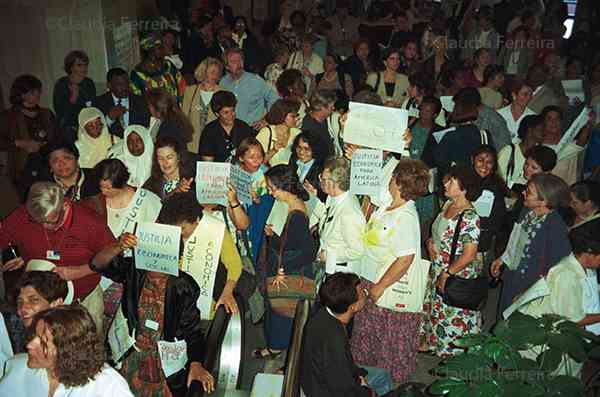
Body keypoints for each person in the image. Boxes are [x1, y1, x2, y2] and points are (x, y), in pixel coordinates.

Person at [89, 209, 216, 396]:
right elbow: (97, 264)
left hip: (164, 359)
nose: (154, 264)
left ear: (175, 259)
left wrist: (196, 363)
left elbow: (192, 331)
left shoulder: (183, 287)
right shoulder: (135, 271)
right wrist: (119, 246)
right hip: (129, 353)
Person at [351, 159, 430, 380]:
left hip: (385, 288)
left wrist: (380, 287)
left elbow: (405, 259)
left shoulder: (405, 216)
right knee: (368, 340)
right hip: (370, 278)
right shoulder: (388, 205)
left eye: (394, 174)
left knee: (385, 345)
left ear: (399, 182)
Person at [0, 182, 116, 333]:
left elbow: (114, 258)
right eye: (38, 221)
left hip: (82, 301)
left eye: (51, 221)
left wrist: (80, 271)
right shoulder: (23, 215)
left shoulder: (89, 222)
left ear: (64, 205)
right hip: (39, 305)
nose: (44, 226)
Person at [254, 165, 317, 357]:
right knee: (277, 312)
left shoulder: (297, 215)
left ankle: (281, 350)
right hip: (284, 267)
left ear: (285, 187)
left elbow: (308, 251)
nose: (272, 193)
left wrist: (283, 266)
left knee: (283, 314)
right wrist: (272, 235)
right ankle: (277, 346)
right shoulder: (291, 202)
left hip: (290, 272)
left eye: (273, 189)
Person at [1, 305, 133, 397]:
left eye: (43, 342)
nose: (29, 345)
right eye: (33, 336)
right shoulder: (17, 368)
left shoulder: (108, 387)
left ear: (68, 351)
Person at [491, 173, 572, 314]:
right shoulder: (527, 211)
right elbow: (515, 239)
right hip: (513, 276)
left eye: (528, 192)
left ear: (544, 201)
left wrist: (528, 293)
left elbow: (554, 271)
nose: (523, 193)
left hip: (530, 285)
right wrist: (502, 259)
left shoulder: (556, 229)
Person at [301, 272, 391, 397]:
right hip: (322, 390)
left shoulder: (325, 313)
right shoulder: (333, 338)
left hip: (318, 377)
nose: (366, 293)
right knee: (382, 379)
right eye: (363, 294)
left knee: (382, 374)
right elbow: (342, 388)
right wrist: (367, 392)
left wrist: (358, 374)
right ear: (352, 307)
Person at [424, 166, 482, 357]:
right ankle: (439, 348)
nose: (445, 183)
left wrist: (447, 273)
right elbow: (438, 234)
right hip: (439, 269)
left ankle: (454, 362)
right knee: (439, 315)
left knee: (454, 319)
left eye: (451, 181)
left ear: (464, 188)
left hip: (455, 275)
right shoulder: (448, 205)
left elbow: (469, 254)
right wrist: (430, 243)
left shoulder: (470, 217)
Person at [157, 192, 242, 319]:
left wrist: (228, 291)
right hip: (174, 306)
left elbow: (234, 263)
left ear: (196, 220)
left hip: (210, 304)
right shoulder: (167, 230)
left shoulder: (216, 228)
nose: (178, 234)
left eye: (183, 229)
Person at [0, 75, 57, 197]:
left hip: (47, 166)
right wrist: (20, 143)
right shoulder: (8, 116)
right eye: (32, 92)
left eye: (38, 91)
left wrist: (44, 144)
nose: (37, 94)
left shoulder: (46, 113)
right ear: (21, 94)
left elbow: (57, 137)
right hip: (22, 170)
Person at [315, 157, 365, 283]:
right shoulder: (335, 198)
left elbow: (357, 250)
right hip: (329, 268)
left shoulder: (349, 212)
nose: (320, 180)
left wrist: (329, 255)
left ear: (334, 183)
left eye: (324, 178)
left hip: (341, 276)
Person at [85, 159, 162, 241]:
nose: (103, 191)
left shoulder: (147, 200)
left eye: (108, 188)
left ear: (122, 184)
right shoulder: (95, 202)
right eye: (101, 186)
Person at [6, 270, 68, 354]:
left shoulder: (69, 338)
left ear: (56, 304)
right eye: (20, 302)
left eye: (33, 300)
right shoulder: (10, 329)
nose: (23, 308)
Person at [219, 47, 279, 127]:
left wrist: (266, 119)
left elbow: (275, 99)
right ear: (226, 66)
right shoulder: (223, 83)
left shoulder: (256, 80)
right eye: (233, 61)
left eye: (240, 60)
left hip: (252, 130)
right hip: (231, 130)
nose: (238, 64)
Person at [540, 105, 593, 185]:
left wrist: (588, 123)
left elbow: (580, 143)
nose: (553, 122)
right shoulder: (538, 147)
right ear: (543, 122)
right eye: (549, 119)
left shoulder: (568, 143)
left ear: (561, 122)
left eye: (557, 119)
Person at [92, 68, 151, 138]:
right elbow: (93, 132)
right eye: (119, 84)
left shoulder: (140, 101)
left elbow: (147, 125)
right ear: (109, 85)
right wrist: (109, 119)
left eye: (126, 83)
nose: (124, 87)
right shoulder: (99, 103)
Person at [198, 90, 255, 162]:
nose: (231, 115)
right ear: (217, 114)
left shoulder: (244, 128)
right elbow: (208, 163)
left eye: (233, 110)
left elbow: (252, 154)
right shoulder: (209, 132)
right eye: (226, 112)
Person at [471, 146, 506, 264]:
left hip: (480, 245)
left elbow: (498, 220)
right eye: (480, 160)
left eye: (489, 162)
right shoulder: (463, 181)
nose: (484, 166)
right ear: (473, 160)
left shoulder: (496, 187)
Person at [181, 57, 224, 153]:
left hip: (215, 144)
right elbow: (183, 118)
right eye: (212, 72)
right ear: (203, 72)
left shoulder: (223, 92)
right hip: (193, 145)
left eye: (217, 73)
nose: (215, 75)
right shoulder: (190, 91)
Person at [53, 50, 96, 140]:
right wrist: (73, 98)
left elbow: (93, 106)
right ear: (71, 67)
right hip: (69, 128)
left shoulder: (89, 83)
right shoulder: (62, 84)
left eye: (85, 65)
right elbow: (61, 112)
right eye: (79, 65)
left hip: (88, 125)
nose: (84, 68)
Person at [130, 35, 183, 102]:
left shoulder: (168, 65)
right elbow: (137, 98)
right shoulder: (137, 74)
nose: (163, 50)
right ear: (150, 51)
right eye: (159, 48)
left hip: (174, 108)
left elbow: (181, 83)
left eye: (162, 47)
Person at [497, 114, 544, 190]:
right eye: (540, 130)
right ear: (530, 130)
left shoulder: (540, 154)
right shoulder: (509, 151)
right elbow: (497, 177)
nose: (544, 133)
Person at [143, 136, 198, 200]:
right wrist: (174, 192)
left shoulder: (193, 175)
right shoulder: (151, 184)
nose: (165, 162)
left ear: (178, 157)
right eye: (160, 158)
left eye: (169, 157)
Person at [256, 98, 301, 166]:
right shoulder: (266, 132)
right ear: (282, 115)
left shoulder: (297, 133)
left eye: (297, 115)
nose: (297, 119)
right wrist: (273, 150)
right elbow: (255, 161)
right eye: (293, 116)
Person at [289, 131, 329, 199]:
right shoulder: (293, 159)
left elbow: (328, 196)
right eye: (299, 147)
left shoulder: (322, 168)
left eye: (307, 149)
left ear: (315, 150)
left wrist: (315, 192)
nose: (301, 152)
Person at [301, 89, 337, 157]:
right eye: (331, 107)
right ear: (321, 107)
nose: (334, 108)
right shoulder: (309, 127)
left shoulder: (324, 119)